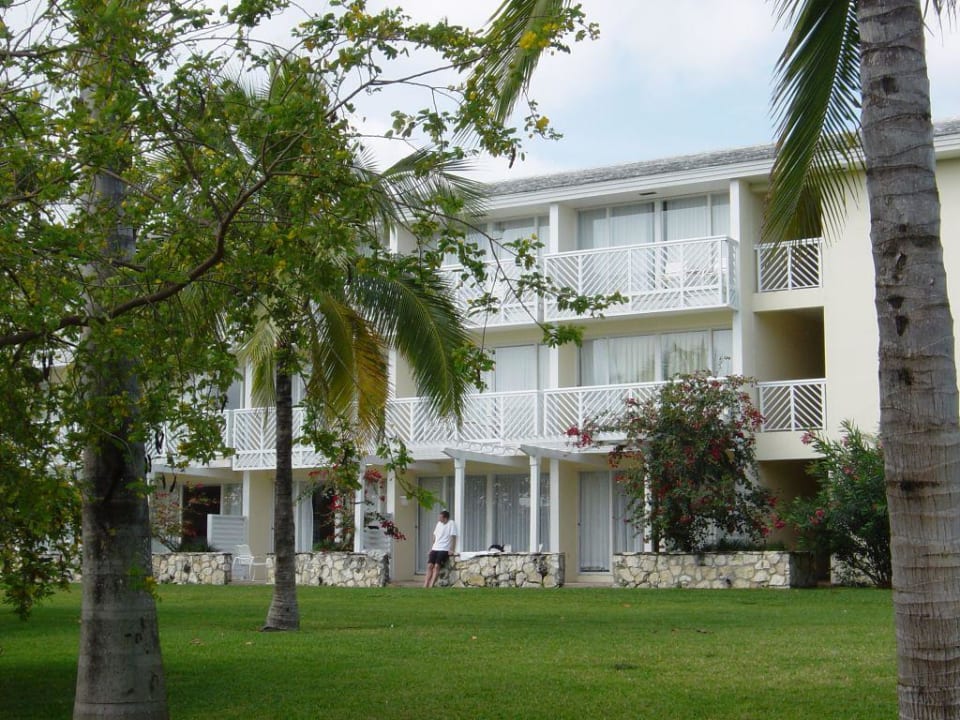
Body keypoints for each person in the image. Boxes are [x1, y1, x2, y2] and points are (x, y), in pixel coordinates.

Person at [423, 509, 458, 588]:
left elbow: (453, 537)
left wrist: (452, 549)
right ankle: (425, 585)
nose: (439, 519)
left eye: (440, 517)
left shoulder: (451, 523)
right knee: (429, 566)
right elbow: (434, 536)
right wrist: (431, 548)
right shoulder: (438, 524)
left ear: (445, 518)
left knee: (436, 566)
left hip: (444, 549)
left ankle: (431, 585)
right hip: (435, 548)